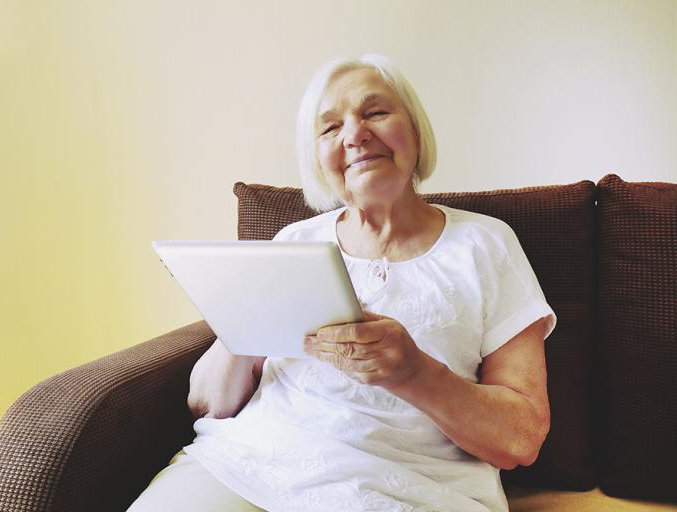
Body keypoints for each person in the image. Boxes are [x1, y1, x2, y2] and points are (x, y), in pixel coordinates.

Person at [128, 54, 557, 512]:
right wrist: (244, 324)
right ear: (317, 158)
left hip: (410, 487)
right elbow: (207, 403)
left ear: (414, 130)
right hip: (250, 462)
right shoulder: (293, 243)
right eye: (330, 128)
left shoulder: (485, 243)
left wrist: (413, 372)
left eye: (375, 112)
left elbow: (520, 440)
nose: (355, 135)